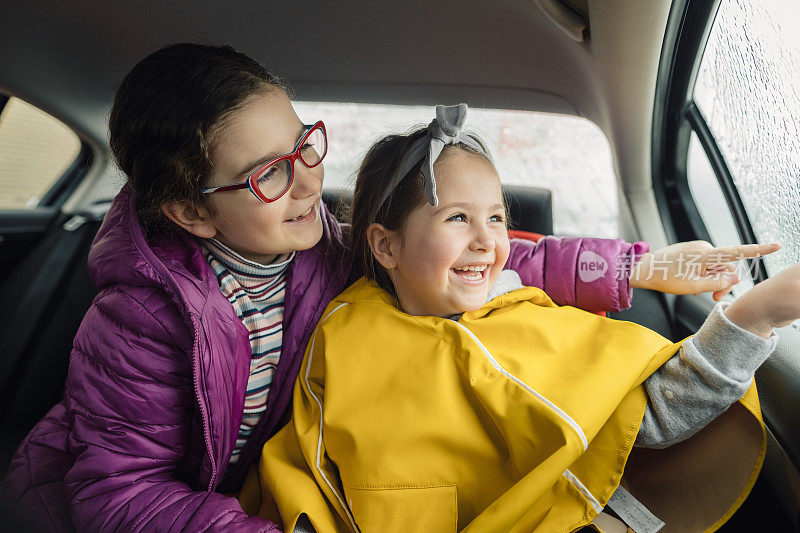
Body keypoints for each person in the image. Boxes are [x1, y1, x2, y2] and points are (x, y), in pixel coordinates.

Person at [0, 44, 772, 531]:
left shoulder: (325, 246)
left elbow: (485, 261)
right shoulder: (135, 322)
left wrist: (637, 266)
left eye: (304, 144)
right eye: (271, 173)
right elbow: (117, 494)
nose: (309, 180)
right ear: (189, 210)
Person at [251, 105, 796, 532]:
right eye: (458, 217)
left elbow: (650, 419)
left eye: (496, 217)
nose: (487, 239)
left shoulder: (522, 318)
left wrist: (752, 315)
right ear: (385, 246)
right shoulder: (347, 335)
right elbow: (310, 471)